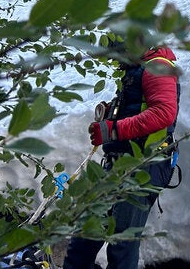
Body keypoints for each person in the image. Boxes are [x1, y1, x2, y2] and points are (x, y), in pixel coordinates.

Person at [62, 44, 180, 269]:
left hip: (145, 164)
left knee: (122, 240)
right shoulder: (137, 70)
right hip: (120, 163)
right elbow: (141, 107)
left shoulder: (157, 66)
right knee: (87, 231)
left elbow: (164, 112)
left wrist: (112, 129)